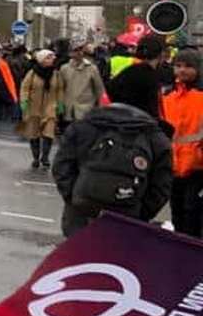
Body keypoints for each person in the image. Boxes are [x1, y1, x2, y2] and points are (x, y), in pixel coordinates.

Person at [52, 66, 172, 238]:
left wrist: (74, 199)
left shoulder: (85, 126)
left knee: (79, 254)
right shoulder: (155, 137)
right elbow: (161, 187)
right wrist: (139, 214)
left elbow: (61, 167)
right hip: (126, 223)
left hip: (80, 218)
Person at [161, 49, 203, 239]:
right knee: (177, 211)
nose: (182, 70)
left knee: (192, 213)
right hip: (173, 165)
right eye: (178, 66)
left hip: (197, 166)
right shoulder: (167, 96)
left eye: (188, 66)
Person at [19, 48, 64, 170]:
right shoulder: (32, 73)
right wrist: (24, 101)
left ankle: (45, 157)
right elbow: (24, 87)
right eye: (49, 58)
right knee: (34, 134)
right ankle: (35, 157)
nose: (52, 60)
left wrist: (60, 104)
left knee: (48, 134)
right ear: (42, 60)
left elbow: (60, 89)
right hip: (33, 108)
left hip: (50, 108)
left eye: (52, 57)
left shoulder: (56, 74)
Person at [107, 34, 166, 121]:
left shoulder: (128, 71)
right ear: (161, 55)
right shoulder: (150, 75)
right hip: (139, 123)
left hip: (118, 119)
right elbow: (153, 108)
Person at [58, 41, 105, 130]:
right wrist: (60, 107)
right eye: (76, 50)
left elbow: (99, 89)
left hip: (86, 108)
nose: (79, 53)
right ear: (70, 53)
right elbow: (60, 88)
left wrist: (101, 107)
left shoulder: (92, 68)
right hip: (69, 108)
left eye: (81, 50)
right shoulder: (64, 68)